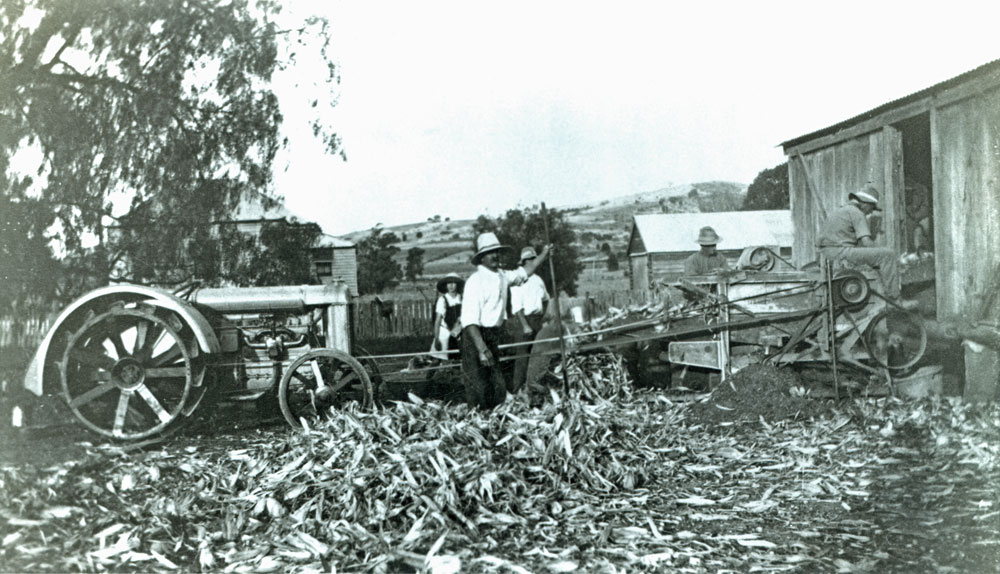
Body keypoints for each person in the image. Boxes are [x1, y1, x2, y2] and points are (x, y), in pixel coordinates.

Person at [460, 232, 550, 409]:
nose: (494, 255)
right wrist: (481, 349)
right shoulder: (475, 281)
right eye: (489, 253)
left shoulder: (501, 275)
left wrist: (545, 253)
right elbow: (470, 320)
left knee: (496, 384)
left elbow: (525, 272)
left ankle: (494, 420)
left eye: (496, 251)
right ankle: (476, 422)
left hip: (492, 334)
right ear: (482, 258)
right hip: (475, 337)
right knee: (479, 386)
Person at [817, 184, 900, 299]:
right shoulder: (857, 213)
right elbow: (866, 242)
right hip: (841, 252)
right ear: (865, 204)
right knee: (888, 255)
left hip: (828, 252)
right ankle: (895, 297)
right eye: (871, 209)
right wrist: (880, 251)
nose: (869, 213)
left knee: (876, 256)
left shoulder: (841, 210)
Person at [508, 246, 551, 392]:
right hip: (523, 321)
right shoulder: (518, 282)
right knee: (523, 356)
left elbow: (546, 299)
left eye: (534, 259)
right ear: (524, 262)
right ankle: (517, 389)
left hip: (537, 319)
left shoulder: (538, 280)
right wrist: (525, 325)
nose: (533, 262)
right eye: (531, 260)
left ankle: (533, 387)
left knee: (538, 354)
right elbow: (517, 307)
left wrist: (543, 316)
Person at [429, 273, 464, 361]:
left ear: (457, 285)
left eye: (453, 283)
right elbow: (437, 320)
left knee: (459, 358)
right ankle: (429, 375)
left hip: (459, 332)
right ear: (446, 285)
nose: (451, 286)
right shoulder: (442, 300)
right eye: (448, 283)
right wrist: (436, 338)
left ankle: (455, 374)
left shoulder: (462, 299)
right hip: (444, 332)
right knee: (437, 359)